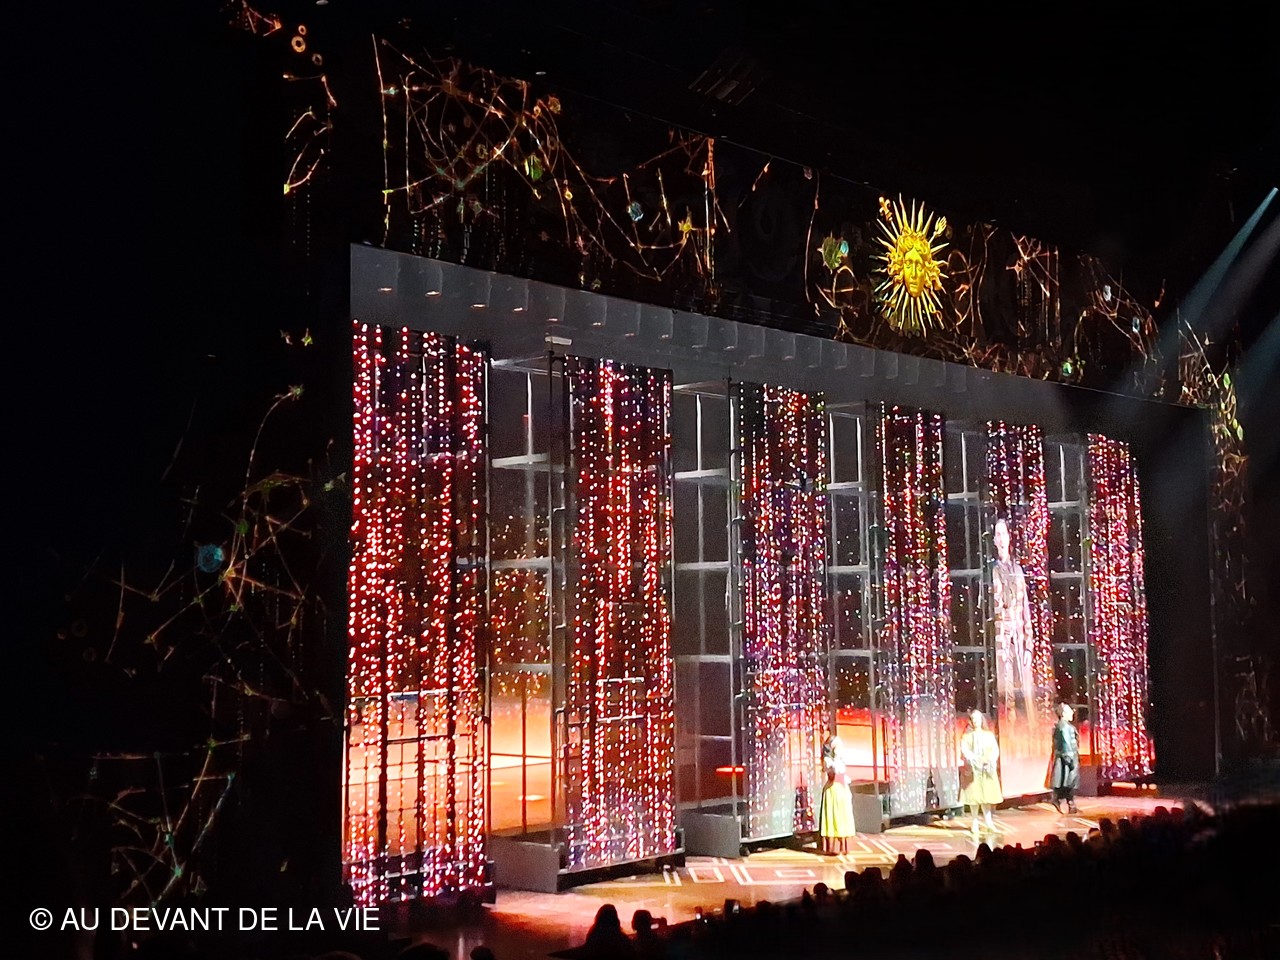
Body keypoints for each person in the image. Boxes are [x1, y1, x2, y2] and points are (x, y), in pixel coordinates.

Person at [991, 518, 1034, 722]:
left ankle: (1028, 722)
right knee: (1005, 680)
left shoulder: (1017, 571)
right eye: (998, 535)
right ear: (994, 540)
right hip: (1003, 637)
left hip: (1018, 635)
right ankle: (1009, 716)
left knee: (1024, 681)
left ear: (1009, 538)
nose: (1001, 539)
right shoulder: (992, 571)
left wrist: (1029, 644)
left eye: (1004, 534)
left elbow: (1025, 607)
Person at [959, 709, 1003, 837]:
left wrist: (990, 760)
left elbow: (995, 750)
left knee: (986, 796)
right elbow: (965, 751)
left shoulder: (988, 735)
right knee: (974, 796)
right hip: (973, 769)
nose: (976, 721)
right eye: (973, 719)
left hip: (986, 769)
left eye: (978, 719)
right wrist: (974, 760)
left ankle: (988, 822)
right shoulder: (966, 737)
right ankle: (974, 822)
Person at [817, 728, 857, 854]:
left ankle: (843, 846)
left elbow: (842, 772)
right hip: (833, 791)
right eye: (838, 747)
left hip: (842, 790)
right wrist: (836, 759)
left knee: (843, 817)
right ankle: (832, 847)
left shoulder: (839, 760)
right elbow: (835, 770)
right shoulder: (828, 761)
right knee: (834, 817)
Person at [1049, 702, 1080, 814]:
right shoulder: (1064, 726)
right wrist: (1069, 757)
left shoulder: (1064, 725)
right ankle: (1061, 800)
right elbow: (1066, 742)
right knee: (1068, 781)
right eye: (1069, 711)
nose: (1072, 713)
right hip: (1067, 757)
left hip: (1066, 757)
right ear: (1064, 713)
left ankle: (1070, 803)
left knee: (1067, 781)